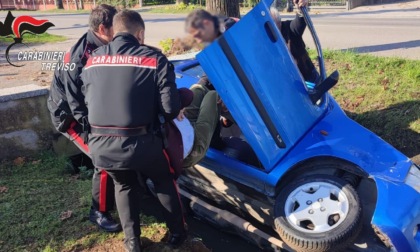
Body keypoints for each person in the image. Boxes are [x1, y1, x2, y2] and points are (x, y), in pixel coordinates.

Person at [79, 9, 188, 252]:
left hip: (101, 148)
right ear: (140, 34)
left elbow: (89, 100)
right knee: (163, 180)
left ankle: (132, 243)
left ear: (114, 32)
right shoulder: (154, 59)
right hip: (142, 145)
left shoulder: (91, 60)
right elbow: (170, 109)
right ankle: (178, 234)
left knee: (124, 185)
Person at [47, 4, 121, 232]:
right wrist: (95, 133)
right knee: (104, 157)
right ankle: (98, 212)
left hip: (92, 109)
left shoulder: (106, 44)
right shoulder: (78, 57)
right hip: (70, 117)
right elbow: (76, 104)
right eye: (116, 27)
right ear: (103, 28)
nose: (120, 31)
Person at [185, 0, 319, 85]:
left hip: (308, 78)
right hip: (288, 83)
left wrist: (301, 7)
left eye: (269, 27)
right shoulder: (259, 40)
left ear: (277, 23)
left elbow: (300, 22)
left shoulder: (290, 29)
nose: (265, 32)